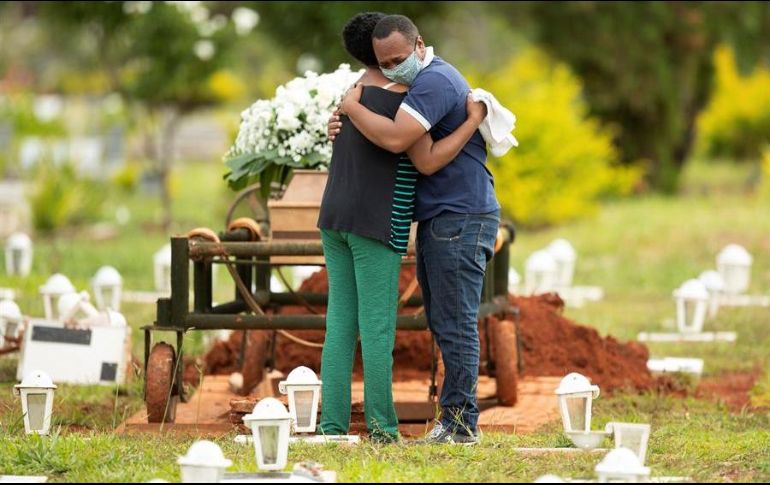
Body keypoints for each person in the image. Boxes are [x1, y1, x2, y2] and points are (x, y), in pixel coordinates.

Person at [317, 12, 488, 443]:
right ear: (377, 55)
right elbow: (421, 156)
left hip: (333, 218)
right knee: (376, 328)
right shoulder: (403, 101)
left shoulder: (356, 91)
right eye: (388, 60)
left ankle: (333, 426)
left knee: (340, 323)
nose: (395, 67)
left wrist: (346, 108)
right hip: (376, 222)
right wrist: (474, 120)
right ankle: (383, 429)